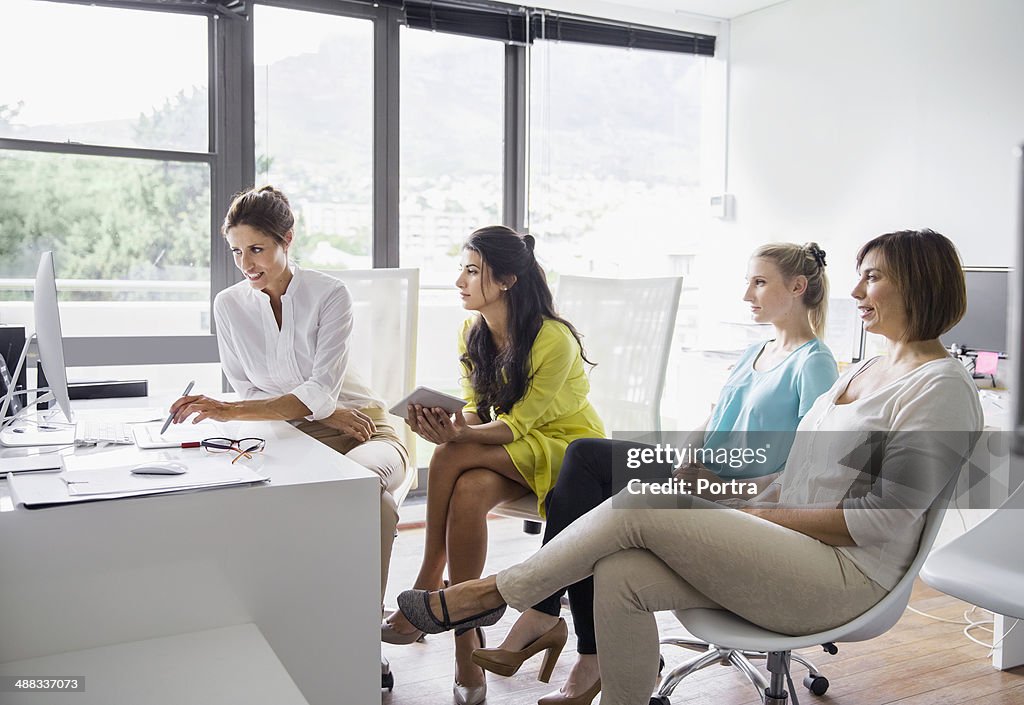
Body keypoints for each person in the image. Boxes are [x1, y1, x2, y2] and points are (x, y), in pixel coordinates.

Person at [396, 229, 984, 705]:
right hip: (787, 536)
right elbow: (796, 474)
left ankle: (491, 593)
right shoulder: (860, 371)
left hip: (847, 578)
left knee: (638, 504)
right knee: (620, 571)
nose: (855, 290)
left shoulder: (939, 388)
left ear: (919, 285)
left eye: (873, 276)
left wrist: (749, 507)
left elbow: (880, 522)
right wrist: (734, 490)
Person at [473, 242, 838, 705]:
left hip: (737, 495)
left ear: (798, 287)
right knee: (584, 456)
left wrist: (734, 488)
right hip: (698, 475)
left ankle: (557, 626)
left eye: (759, 282)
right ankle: (575, 641)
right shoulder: (757, 350)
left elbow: (807, 464)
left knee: (590, 481)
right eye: (749, 280)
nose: (748, 293)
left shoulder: (815, 363)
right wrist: (685, 463)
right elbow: (712, 422)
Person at [382, 225, 605, 705]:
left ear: (505, 280)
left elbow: (517, 425)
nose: (459, 281)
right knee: (468, 489)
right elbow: (478, 412)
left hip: (570, 451)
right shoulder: (473, 331)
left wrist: (457, 437)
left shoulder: (553, 339)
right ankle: (466, 643)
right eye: (460, 270)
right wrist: (445, 422)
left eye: (471, 271)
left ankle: (429, 581)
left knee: (450, 451)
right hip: (511, 448)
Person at [168, 185, 408, 609]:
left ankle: (359, 627)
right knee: (252, 500)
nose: (246, 264)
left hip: (364, 429)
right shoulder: (228, 306)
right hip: (292, 433)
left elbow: (316, 388)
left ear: (287, 239)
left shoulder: (329, 294)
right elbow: (250, 388)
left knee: (361, 488)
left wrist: (231, 411)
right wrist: (320, 410)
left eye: (256, 249)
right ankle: (305, 612)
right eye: (237, 252)